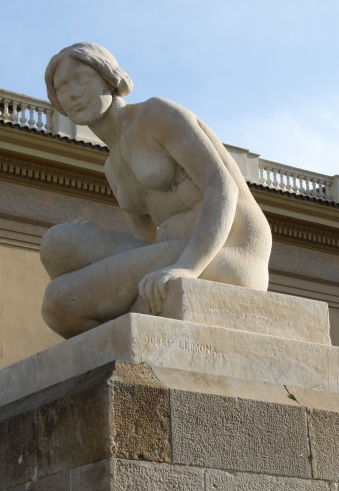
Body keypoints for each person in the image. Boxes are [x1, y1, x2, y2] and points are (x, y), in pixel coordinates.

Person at [40, 43, 271, 338]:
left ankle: (121, 325)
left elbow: (222, 186)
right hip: (170, 252)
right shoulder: (113, 168)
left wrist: (188, 267)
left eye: (82, 78)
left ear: (109, 78)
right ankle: (119, 331)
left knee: (58, 303)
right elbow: (145, 244)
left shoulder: (155, 114)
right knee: (58, 244)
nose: (72, 93)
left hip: (226, 254)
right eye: (62, 87)